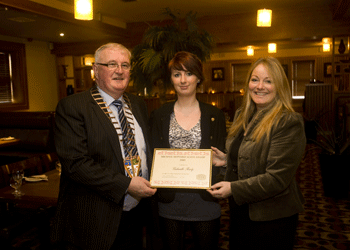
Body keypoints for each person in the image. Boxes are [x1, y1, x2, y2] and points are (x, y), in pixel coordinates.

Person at [51, 43, 157, 250]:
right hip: (96, 218)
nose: (119, 70)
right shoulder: (73, 106)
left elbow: (146, 151)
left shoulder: (138, 104)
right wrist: (126, 185)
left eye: (125, 65)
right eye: (111, 64)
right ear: (95, 71)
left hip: (136, 210)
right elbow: (76, 165)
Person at [207, 57, 306, 250]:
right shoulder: (243, 114)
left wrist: (233, 189)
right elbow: (253, 156)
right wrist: (227, 160)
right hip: (240, 212)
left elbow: (277, 179)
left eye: (268, 81)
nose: (260, 86)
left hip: (272, 218)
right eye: (255, 79)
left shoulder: (288, 122)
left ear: (280, 86)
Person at [150, 51, 226, 250]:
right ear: (171, 80)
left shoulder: (214, 115)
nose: (183, 80)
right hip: (169, 203)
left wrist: (225, 162)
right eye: (177, 74)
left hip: (205, 202)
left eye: (189, 73)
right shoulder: (159, 115)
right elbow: (152, 156)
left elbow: (222, 157)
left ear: (198, 77)